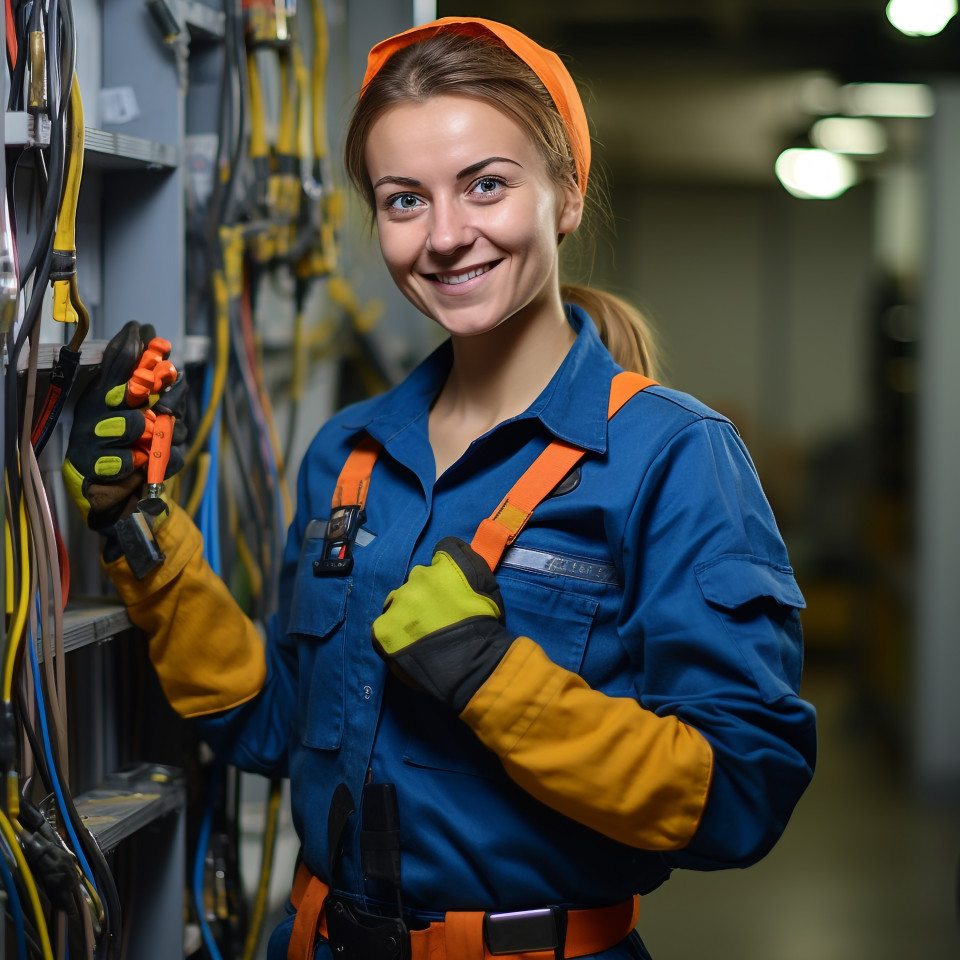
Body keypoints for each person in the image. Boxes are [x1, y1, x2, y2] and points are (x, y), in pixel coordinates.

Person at [63, 16, 816, 960]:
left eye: (486, 186)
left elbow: (746, 789)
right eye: (404, 199)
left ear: (567, 195)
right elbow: (279, 726)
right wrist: (143, 532)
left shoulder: (672, 457)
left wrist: (493, 678)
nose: (448, 236)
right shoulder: (350, 454)